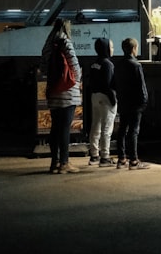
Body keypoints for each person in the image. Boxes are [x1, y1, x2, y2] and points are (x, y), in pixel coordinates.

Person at [43, 18, 82, 174]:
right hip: (67, 90)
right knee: (65, 128)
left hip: (53, 90)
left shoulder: (48, 43)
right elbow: (73, 63)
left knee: (55, 127)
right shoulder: (65, 41)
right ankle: (64, 163)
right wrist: (77, 80)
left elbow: (43, 66)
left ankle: (54, 163)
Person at [113, 37, 150, 170]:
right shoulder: (136, 65)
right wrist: (144, 101)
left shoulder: (118, 64)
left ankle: (121, 158)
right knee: (133, 131)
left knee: (122, 129)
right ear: (134, 49)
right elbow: (141, 85)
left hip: (123, 101)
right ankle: (133, 160)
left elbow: (114, 83)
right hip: (135, 102)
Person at [85, 37, 117, 167]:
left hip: (95, 97)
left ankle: (94, 155)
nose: (113, 49)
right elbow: (108, 84)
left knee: (95, 126)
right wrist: (113, 99)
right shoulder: (108, 64)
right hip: (105, 98)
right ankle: (105, 157)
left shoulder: (94, 64)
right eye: (111, 47)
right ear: (106, 49)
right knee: (107, 127)